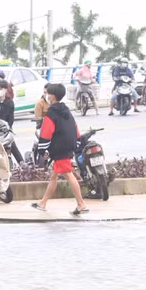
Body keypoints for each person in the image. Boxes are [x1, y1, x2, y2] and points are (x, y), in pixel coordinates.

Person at [32, 83, 88, 215]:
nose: (46, 95)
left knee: (68, 175)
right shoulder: (66, 111)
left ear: (52, 96)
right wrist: (77, 142)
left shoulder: (51, 113)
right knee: (54, 176)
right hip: (67, 146)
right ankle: (43, 203)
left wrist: (42, 150)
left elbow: (46, 133)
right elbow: (74, 128)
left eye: (48, 93)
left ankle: (81, 204)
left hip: (59, 149)